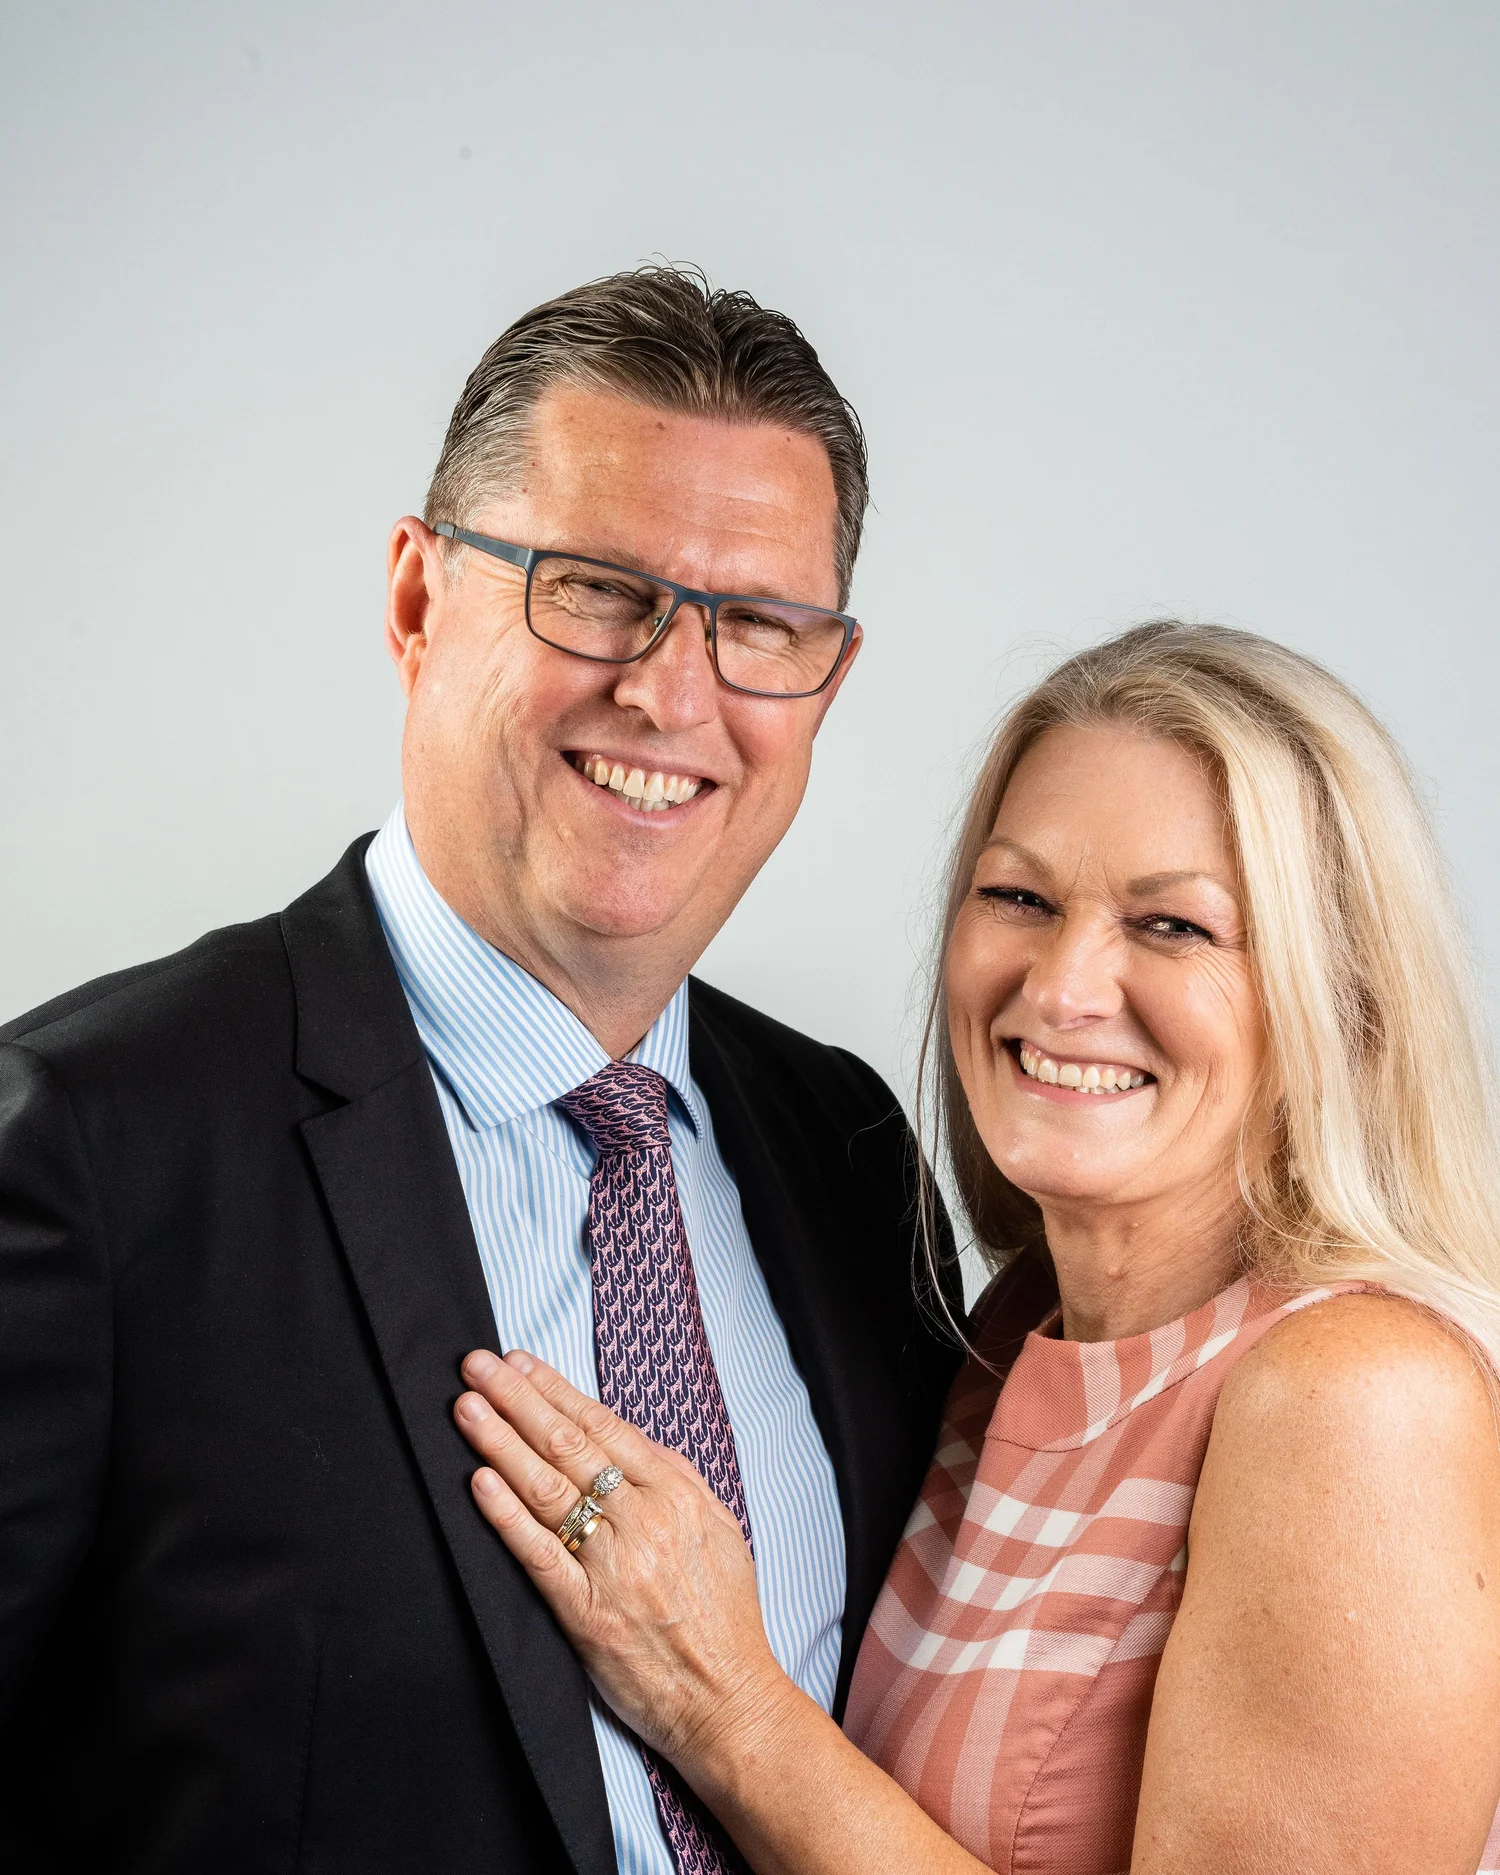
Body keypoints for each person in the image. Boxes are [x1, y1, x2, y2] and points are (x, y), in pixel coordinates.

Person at [0, 268, 963, 1873]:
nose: (670, 691)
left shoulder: (850, 1155)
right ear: (416, 599)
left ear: (826, 680)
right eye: (595, 588)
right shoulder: (89, 1150)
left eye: (756, 625)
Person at [453, 620, 1500, 1875]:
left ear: (1346, 1000)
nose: (1060, 989)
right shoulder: (1004, 1337)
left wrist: (725, 1705)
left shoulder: (1359, 1400)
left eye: (1173, 926)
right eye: (1019, 898)